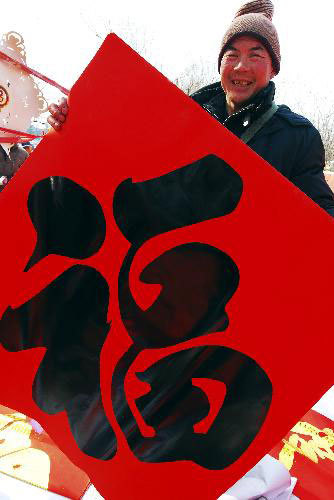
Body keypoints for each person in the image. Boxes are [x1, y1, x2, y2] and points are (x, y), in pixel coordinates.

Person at [48, 0, 334, 217]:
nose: (240, 66)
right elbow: (121, 162)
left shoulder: (298, 136)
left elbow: (318, 223)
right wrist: (73, 125)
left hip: (237, 281)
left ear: (273, 69)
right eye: (231, 55)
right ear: (221, 65)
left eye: (255, 55)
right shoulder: (180, 118)